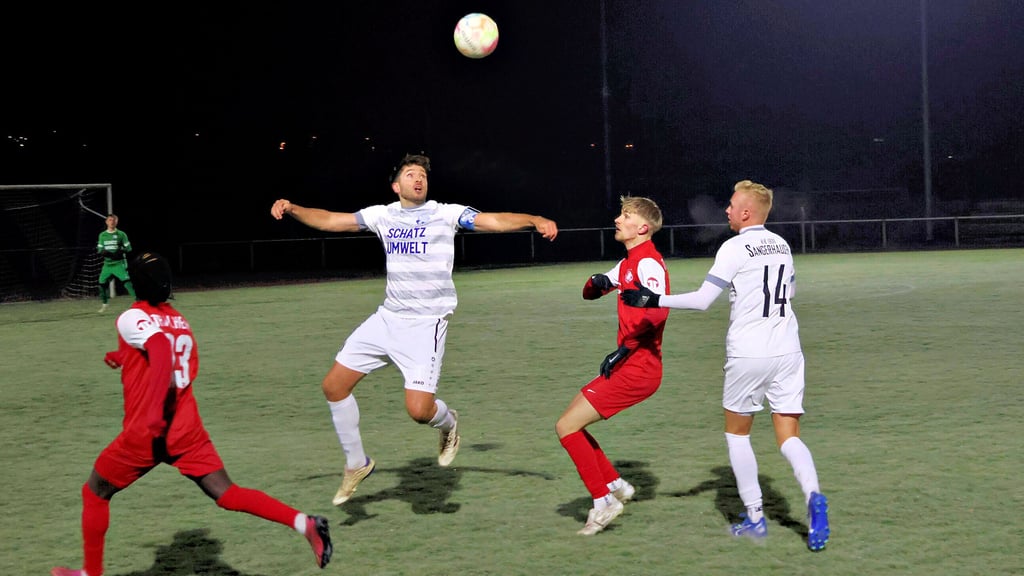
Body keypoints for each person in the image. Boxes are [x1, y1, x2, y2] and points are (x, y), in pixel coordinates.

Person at [269, 153, 559, 507]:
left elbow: (492, 220)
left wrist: (533, 219)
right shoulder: (382, 215)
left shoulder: (445, 213)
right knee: (333, 386)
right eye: (410, 174)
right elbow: (332, 221)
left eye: (422, 175)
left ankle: (449, 423)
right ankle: (356, 463)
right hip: (387, 318)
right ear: (397, 186)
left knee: (420, 412)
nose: (418, 179)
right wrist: (294, 208)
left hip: (425, 325)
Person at [51, 252, 333, 576]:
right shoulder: (179, 320)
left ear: (135, 284)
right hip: (187, 428)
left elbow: (158, 348)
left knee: (95, 492)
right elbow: (164, 350)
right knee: (228, 493)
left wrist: (155, 414)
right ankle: (305, 523)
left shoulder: (132, 316)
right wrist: (123, 355)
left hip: (149, 431)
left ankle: (91, 573)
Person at [621, 180, 830, 551]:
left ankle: (754, 519)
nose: (727, 210)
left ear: (747, 212)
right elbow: (790, 292)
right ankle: (814, 495)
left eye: (732, 205)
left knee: (738, 435)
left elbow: (703, 301)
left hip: (749, 353)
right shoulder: (781, 244)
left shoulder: (734, 247)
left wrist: (653, 299)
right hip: (788, 350)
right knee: (789, 436)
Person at [555, 196, 669, 535]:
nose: (618, 219)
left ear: (643, 228)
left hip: (640, 368)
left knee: (566, 427)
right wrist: (597, 282)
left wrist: (625, 350)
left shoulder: (648, 263)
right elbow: (589, 293)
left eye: (626, 215)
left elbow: (658, 312)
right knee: (572, 423)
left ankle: (604, 500)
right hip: (628, 363)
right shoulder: (628, 264)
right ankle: (616, 486)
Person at [96, 214, 135, 313]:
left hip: (119, 263)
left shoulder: (121, 234)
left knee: (126, 282)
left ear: (116, 222)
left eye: (114, 220)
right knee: (101, 284)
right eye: (110, 220)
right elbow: (99, 248)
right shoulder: (102, 235)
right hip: (107, 265)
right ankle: (105, 304)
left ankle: (139, 303)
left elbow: (129, 248)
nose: (112, 222)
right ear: (106, 222)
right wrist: (104, 252)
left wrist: (121, 251)